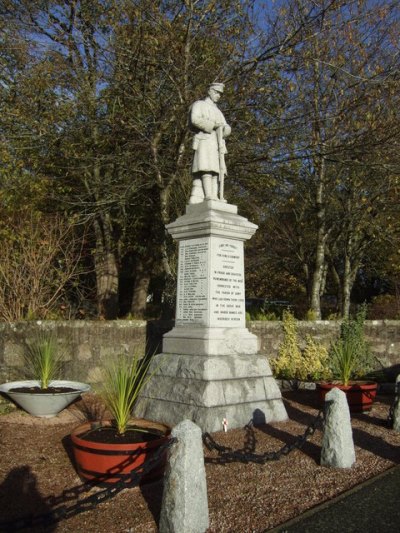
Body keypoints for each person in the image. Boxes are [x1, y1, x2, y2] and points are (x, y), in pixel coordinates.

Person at [188, 82, 231, 204]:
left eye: (220, 94)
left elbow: (226, 127)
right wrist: (213, 126)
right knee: (206, 168)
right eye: (216, 92)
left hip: (217, 143)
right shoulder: (199, 105)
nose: (218, 96)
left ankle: (215, 196)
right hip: (204, 140)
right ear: (210, 91)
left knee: (216, 171)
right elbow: (194, 120)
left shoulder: (218, 111)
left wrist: (225, 129)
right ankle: (208, 195)